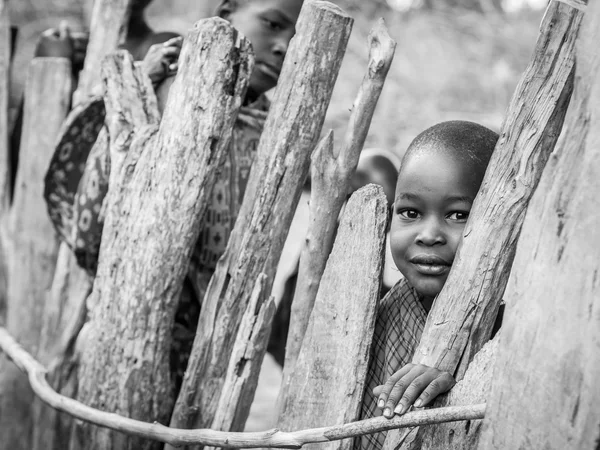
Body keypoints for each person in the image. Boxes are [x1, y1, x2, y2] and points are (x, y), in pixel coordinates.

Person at [357, 120, 500, 450]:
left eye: (458, 215)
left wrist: (461, 382)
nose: (429, 234)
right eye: (410, 212)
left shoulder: (511, 328)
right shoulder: (373, 320)